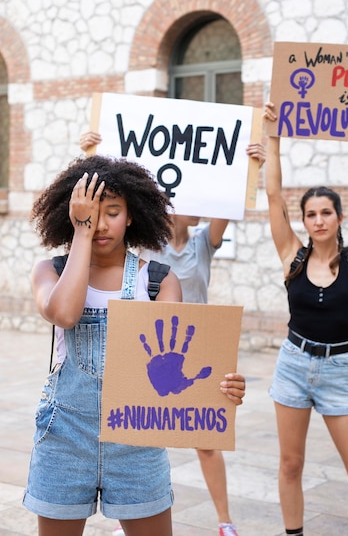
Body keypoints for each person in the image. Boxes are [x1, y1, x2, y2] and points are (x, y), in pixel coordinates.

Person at [23, 154, 246, 536]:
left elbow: (180, 375)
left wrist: (220, 389)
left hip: (137, 442)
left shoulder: (159, 281)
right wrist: (81, 233)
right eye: (89, 214)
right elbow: (64, 314)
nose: (100, 224)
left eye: (113, 212)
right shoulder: (51, 272)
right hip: (64, 438)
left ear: (131, 216)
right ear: (72, 215)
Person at [80, 132, 265, 536]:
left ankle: (224, 520)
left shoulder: (203, 243)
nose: (203, 205)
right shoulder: (149, 248)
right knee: (140, 432)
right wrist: (91, 155)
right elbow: (104, 221)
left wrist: (253, 166)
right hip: (155, 352)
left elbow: (228, 202)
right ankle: (134, 516)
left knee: (206, 440)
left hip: (198, 348)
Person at [264, 99, 348, 536]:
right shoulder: (292, 256)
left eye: (326, 212)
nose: (319, 219)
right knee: (290, 464)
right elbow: (272, 194)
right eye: (311, 214)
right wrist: (272, 136)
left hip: (339, 371)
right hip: (292, 365)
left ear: (340, 217)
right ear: (303, 221)